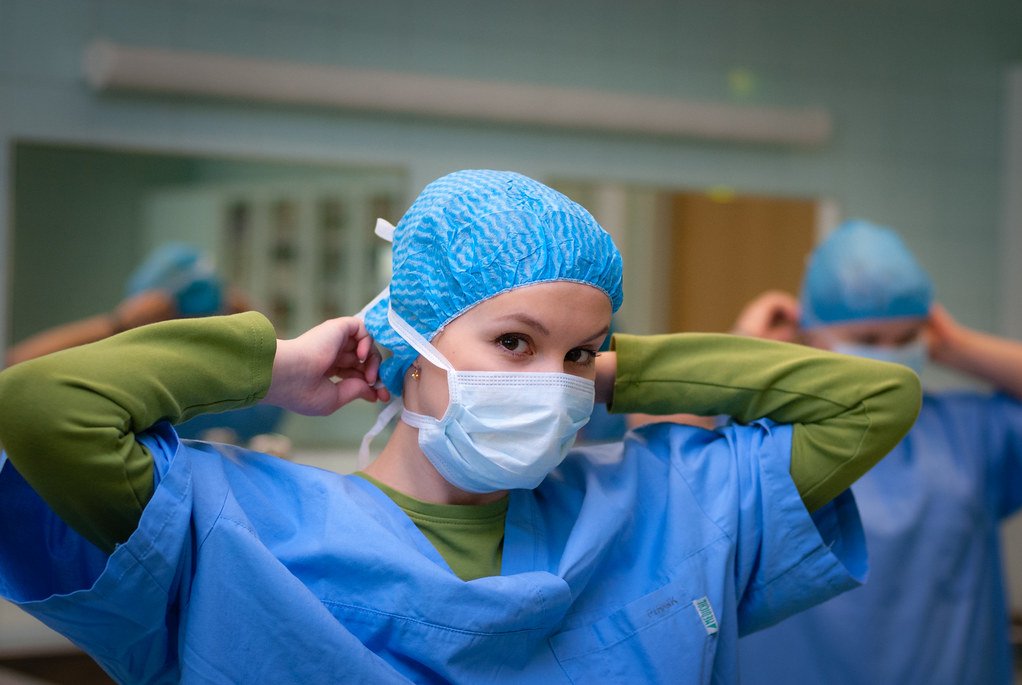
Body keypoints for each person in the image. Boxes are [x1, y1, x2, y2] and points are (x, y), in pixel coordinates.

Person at [0, 172, 920, 684]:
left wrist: (609, 372)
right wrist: (274, 366)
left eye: (577, 354)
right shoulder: (230, 527)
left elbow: (873, 402)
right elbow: (42, 405)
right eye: (513, 341)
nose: (549, 385)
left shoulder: (663, 505)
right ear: (408, 343)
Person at [736, 220, 1022, 685]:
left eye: (907, 337)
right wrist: (742, 355)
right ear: (810, 335)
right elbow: (662, 456)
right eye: (867, 340)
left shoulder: (971, 431)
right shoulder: (757, 435)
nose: (888, 357)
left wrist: (958, 346)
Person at [4, 242, 286, 447]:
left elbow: (16, 374)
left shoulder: (237, 390)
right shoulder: (125, 377)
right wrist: (117, 325)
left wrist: (116, 325)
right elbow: (14, 374)